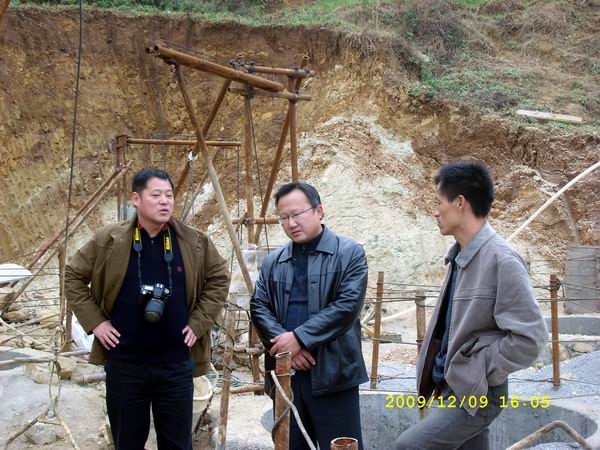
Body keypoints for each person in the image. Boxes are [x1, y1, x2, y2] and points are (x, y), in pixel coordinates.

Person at [65, 168, 230, 450]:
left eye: (169, 195)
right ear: (136, 199)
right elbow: (73, 276)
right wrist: (96, 322)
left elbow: (219, 278)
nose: (165, 201)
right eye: (156, 195)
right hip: (125, 365)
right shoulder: (109, 240)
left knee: (178, 445)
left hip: (176, 365)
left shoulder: (194, 241)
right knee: (127, 443)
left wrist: (199, 322)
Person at [394, 162, 547, 450]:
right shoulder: (460, 256)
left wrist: (478, 366)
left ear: (460, 202)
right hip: (454, 386)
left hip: (477, 393)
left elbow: (530, 339)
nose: (435, 212)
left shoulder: (502, 259)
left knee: (409, 446)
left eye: (439, 202)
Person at [250, 182, 368, 450]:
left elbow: (347, 306)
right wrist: (287, 346)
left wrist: (299, 339)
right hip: (286, 374)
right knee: (290, 444)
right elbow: (258, 306)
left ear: (319, 211)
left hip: (334, 374)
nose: (291, 223)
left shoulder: (349, 253)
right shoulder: (273, 261)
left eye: (297, 214)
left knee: (340, 446)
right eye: (283, 217)